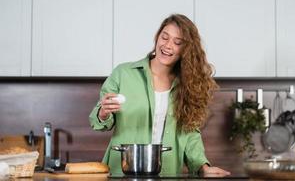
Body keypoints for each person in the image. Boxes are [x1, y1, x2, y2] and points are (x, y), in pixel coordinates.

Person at [89, 14, 230, 176]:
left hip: (166, 174)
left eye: (177, 43)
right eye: (165, 37)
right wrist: (104, 112)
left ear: (186, 49)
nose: (168, 45)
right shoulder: (123, 73)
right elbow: (98, 121)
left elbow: (190, 133)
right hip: (122, 173)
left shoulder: (187, 85)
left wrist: (202, 167)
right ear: (157, 38)